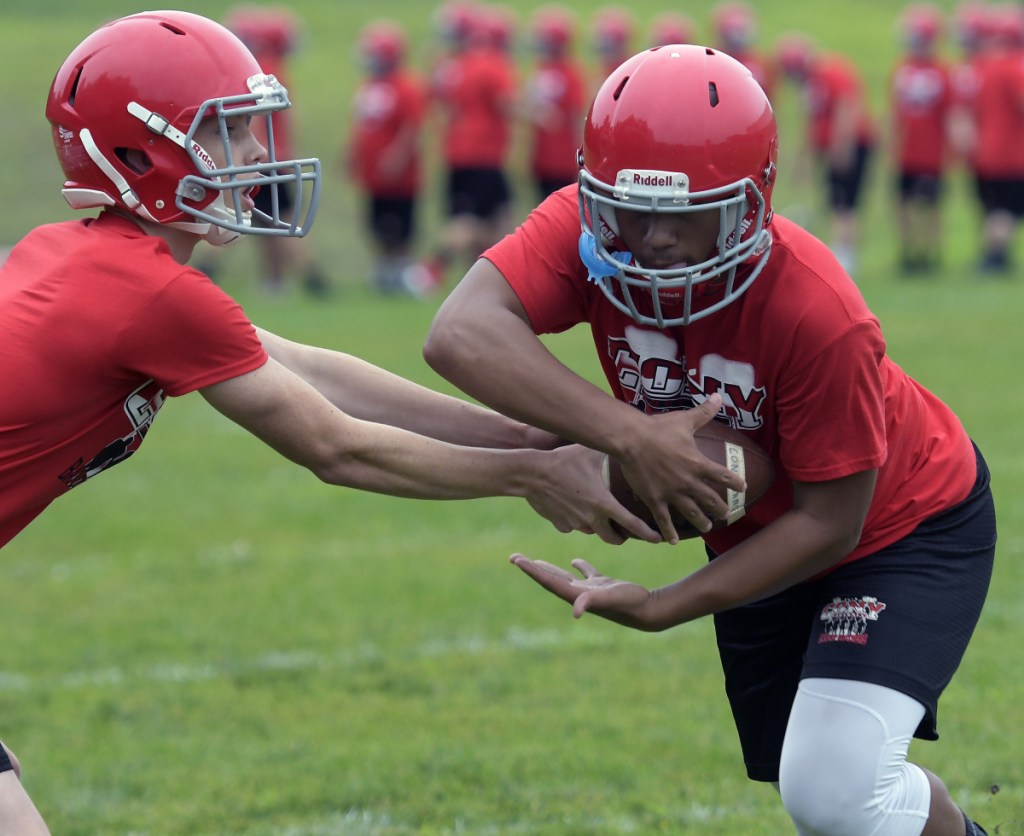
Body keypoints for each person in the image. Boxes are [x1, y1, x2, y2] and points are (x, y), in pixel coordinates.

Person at [0, 12, 665, 832]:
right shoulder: (148, 293)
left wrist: (532, 437)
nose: (254, 157)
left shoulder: (101, 265)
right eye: (228, 135)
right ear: (141, 151)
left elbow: (313, 371)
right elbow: (338, 447)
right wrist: (530, 476)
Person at [424, 44, 995, 836]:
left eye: (687, 213)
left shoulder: (820, 311)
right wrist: (628, 434)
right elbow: (459, 333)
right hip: (761, 529)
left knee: (834, 789)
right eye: (629, 209)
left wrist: (663, 607)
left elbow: (834, 521)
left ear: (752, 203)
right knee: (823, 792)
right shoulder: (585, 229)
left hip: (902, 527)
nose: (653, 238)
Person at [225, 5, 331, 297]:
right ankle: (275, 280)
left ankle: (313, 280)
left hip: (269, 158)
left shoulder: (263, 68)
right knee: (264, 221)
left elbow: (258, 118)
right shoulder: (272, 66)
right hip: (275, 156)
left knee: (277, 221)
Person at [413, 0, 518, 295]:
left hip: (461, 151)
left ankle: (483, 280)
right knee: (469, 223)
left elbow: (437, 100)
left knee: (502, 215)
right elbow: (506, 103)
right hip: (481, 154)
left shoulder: (450, 66)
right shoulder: (487, 63)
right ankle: (429, 270)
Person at [777, 32, 877, 277]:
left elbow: (845, 107)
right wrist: (804, 157)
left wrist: (842, 145)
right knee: (834, 201)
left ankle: (846, 256)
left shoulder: (830, 73)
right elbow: (811, 121)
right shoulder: (810, 84)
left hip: (849, 145)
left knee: (844, 202)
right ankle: (841, 251)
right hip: (832, 147)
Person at [345, 19, 429, 295]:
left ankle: (402, 271)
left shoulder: (407, 87)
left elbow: (412, 127)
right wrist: (351, 155)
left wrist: (398, 156)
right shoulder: (368, 85)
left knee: (401, 223)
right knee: (376, 222)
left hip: (400, 177)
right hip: (373, 173)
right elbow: (361, 127)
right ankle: (385, 269)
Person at [887, 3, 954, 275]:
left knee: (928, 206)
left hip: (930, 152)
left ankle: (926, 253)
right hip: (911, 151)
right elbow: (895, 113)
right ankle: (912, 252)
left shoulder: (939, 71)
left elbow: (950, 114)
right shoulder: (908, 69)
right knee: (908, 204)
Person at [522, 6, 588, 202]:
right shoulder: (541, 69)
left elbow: (577, 115)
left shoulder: (570, 73)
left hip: (562, 159)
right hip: (540, 157)